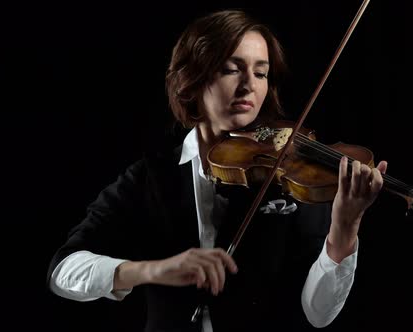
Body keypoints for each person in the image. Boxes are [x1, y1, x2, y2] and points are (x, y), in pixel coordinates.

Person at [47, 9, 388, 332]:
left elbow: (318, 314)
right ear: (190, 79)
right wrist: (154, 270)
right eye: (231, 68)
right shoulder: (149, 177)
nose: (249, 85)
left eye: (261, 72)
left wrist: (344, 229)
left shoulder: (289, 174)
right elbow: (63, 271)